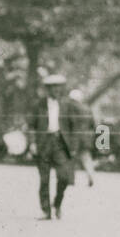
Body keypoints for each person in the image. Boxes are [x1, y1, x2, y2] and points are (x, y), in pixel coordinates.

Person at [28, 73, 90, 219]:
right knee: (44, 180)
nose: (56, 90)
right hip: (43, 144)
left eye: (58, 87)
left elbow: (75, 127)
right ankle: (46, 211)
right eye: (52, 88)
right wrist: (32, 143)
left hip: (61, 145)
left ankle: (57, 204)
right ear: (47, 89)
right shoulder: (39, 105)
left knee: (63, 177)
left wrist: (73, 146)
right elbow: (31, 125)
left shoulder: (67, 105)